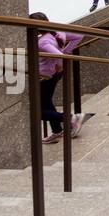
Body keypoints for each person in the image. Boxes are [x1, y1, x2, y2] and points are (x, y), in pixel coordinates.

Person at [31, 12, 83, 144]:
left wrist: (60, 62)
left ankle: (71, 119)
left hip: (45, 76)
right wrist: (66, 51)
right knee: (46, 102)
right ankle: (57, 131)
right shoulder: (58, 32)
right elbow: (78, 35)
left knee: (36, 111)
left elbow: (59, 56)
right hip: (54, 75)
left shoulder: (43, 42)